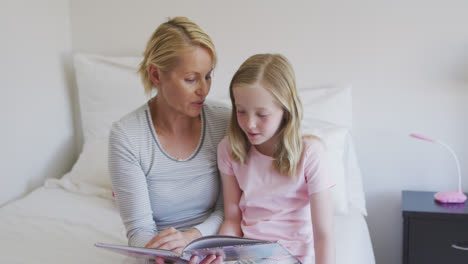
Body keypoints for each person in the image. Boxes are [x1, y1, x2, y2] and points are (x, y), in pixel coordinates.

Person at [108, 17, 229, 264]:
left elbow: (227, 209)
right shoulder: (127, 136)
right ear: (156, 74)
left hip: (214, 245)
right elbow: (139, 230)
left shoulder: (224, 122)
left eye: (208, 76)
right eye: (191, 79)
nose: (204, 90)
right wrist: (166, 255)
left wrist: (193, 238)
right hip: (159, 252)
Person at [217, 54, 336, 264]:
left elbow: (323, 236)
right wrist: (217, 252)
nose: (250, 124)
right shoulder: (229, 149)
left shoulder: (310, 153)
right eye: (241, 111)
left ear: (286, 111)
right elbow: (232, 220)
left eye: (262, 115)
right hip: (248, 256)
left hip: (293, 258)